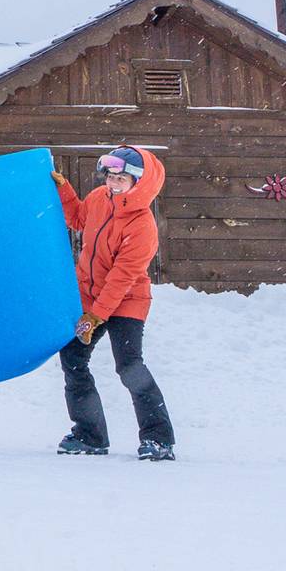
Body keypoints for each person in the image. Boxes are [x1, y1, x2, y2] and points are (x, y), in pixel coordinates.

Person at [50, 146, 176, 462]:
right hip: (92, 297)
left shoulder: (142, 226)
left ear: (139, 183)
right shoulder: (98, 199)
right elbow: (78, 218)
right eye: (110, 176)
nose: (113, 183)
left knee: (129, 366)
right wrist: (63, 190)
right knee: (73, 359)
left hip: (127, 301)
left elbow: (121, 278)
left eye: (121, 178)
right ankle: (89, 435)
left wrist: (95, 316)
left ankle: (158, 439)